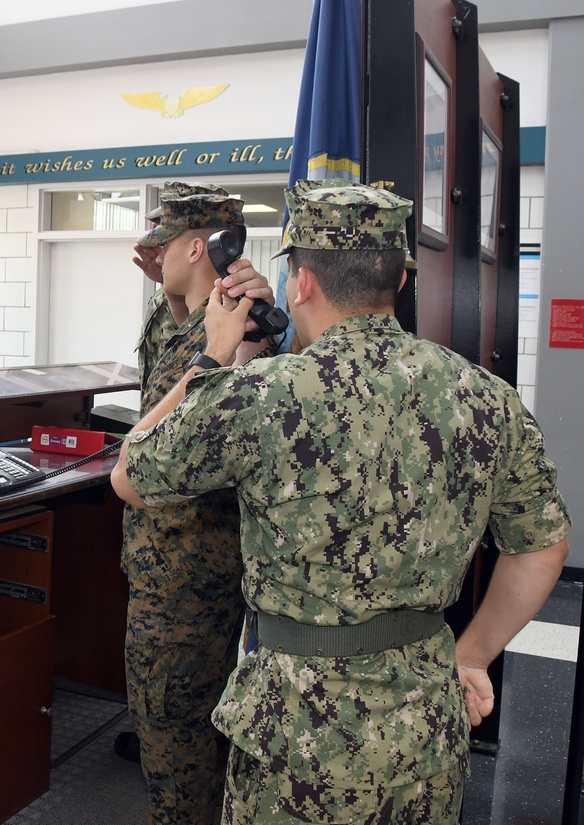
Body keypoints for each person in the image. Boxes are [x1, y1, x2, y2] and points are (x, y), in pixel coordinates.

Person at [111, 178, 571, 823]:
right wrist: (471, 656)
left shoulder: (262, 394)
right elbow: (543, 546)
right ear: (400, 283)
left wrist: (215, 352)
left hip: (294, 732)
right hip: (425, 723)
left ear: (301, 283)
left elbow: (133, 474)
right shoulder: (484, 394)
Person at [119, 183, 277, 824]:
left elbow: (201, 425)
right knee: (172, 726)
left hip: (191, 570)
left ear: (195, 246)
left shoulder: (239, 334)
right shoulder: (175, 316)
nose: (153, 256)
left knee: (175, 728)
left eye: (165, 244)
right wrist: (175, 288)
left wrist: (229, 348)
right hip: (158, 557)